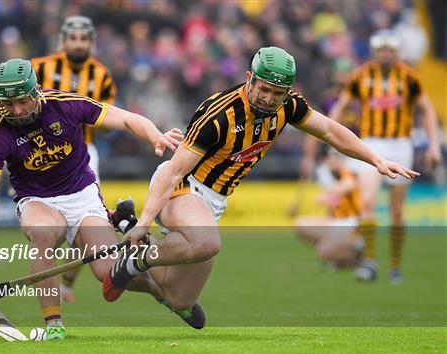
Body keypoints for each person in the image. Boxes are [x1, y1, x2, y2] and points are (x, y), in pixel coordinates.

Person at [102, 46, 419, 328]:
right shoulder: (218, 115)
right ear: (249, 78)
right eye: (264, 88)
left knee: (179, 299)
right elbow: (172, 173)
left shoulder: (289, 106)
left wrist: (375, 159)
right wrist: (146, 222)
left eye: (277, 93)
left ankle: (133, 252)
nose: (269, 98)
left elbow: (332, 132)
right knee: (207, 242)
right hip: (184, 186)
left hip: (215, 199)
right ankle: (137, 255)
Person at [0, 58, 183, 340]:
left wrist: (155, 136)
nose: (16, 111)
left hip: (81, 195)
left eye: (22, 102)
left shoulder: (66, 104)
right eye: (8, 104)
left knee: (107, 272)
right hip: (36, 199)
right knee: (43, 235)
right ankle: (54, 325)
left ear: (36, 90)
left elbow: (124, 118)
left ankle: (156, 288)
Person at [327, 29, 441, 282]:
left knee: (397, 212)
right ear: (375, 52)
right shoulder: (361, 76)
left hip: (401, 145)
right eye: (381, 51)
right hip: (371, 144)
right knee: (367, 202)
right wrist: (330, 137)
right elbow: (341, 105)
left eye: (390, 51)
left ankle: (395, 265)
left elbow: (427, 110)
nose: (386, 55)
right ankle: (369, 261)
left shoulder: (410, 78)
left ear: (396, 53)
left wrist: (433, 145)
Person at [31, 16, 117, 302]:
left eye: (83, 39)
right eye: (73, 38)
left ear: (91, 43)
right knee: (48, 227)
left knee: (90, 219)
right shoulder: (40, 67)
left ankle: (67, 280)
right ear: (63, 41)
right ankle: (51, 284)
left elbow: (107, 115)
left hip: (84, 153)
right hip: (42, 153)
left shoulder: (102, 75)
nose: (78, 44)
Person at [296, 147, 362, 268]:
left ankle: (356, 255)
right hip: (336, 223)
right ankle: (341, 255)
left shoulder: (348, 172)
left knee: (323, 251)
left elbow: (348, 184)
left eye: (333, 158)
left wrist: (328, 192)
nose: (329, 161)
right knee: (301, 224)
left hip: (352, 226)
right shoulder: (330, 176)